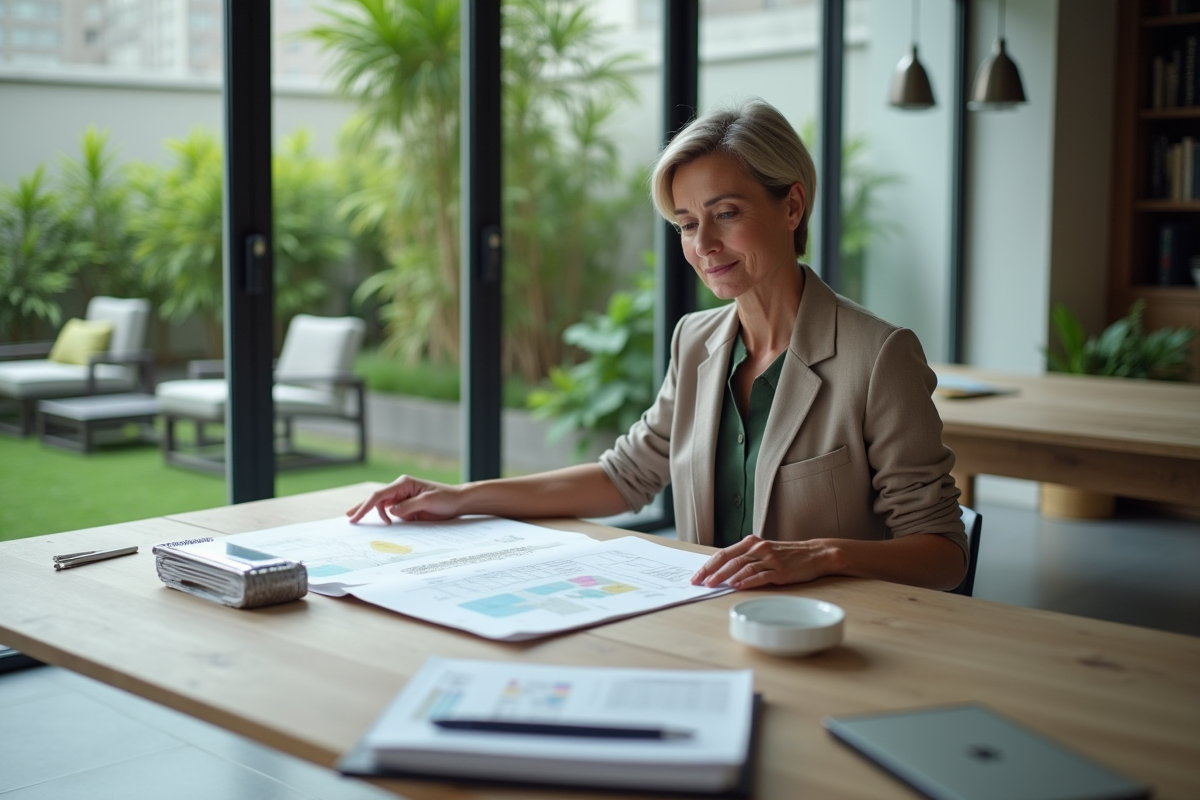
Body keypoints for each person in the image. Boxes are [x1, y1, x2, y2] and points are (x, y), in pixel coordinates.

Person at [347, 98, 967, 592]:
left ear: (792, 205)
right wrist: (460, 497)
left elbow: (942, 554)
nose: (704, 245)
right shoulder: (695, 342)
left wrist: (821, 556)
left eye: (726, 213)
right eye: (687, 225)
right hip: (703, 622)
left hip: (832, 642)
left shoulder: (878, 355)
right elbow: (625, 477)